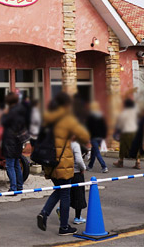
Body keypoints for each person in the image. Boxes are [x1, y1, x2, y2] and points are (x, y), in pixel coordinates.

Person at [37, 92, 90, 236]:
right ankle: (64, 227)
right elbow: (84, 136)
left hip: (49, 163)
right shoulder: (67, 119)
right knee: (65, 193)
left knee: (59, 189)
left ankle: (44, 213)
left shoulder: (47, 118)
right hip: (63, 163)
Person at [2, 93, 27, 192]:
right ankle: (20, 186)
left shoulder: (11, 112)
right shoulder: (21, 111)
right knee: (16, 165)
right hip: (18, 142)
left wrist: (4, 113)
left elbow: (3, 122)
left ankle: (13, 188)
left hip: (10, 142)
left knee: (10, 166)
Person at [114, 98, 141, 169]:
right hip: (135, 131)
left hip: (126, 132)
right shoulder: (135, 113)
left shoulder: (124, 113)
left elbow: (120, 124)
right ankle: (138, 162)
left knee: (123, 146)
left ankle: (120, 161)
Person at [86, 101, 108, 173]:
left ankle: (104, 166)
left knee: (97, 152)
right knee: (94, 151)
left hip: (94, 137)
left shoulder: (90, 117)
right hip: (100, 137)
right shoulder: (101, 116)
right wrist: (104, 136)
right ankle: (90, 166)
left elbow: (88, 128)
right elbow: (104, 127)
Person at [69, 139, 87, 224]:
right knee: (79, 196)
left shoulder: (64, 142)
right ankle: (78, 217)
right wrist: (83, 168)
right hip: (76, 173)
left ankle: (61, 210)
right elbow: (79, 160)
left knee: (67, 194)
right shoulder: (75, 144)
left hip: (66, 172)